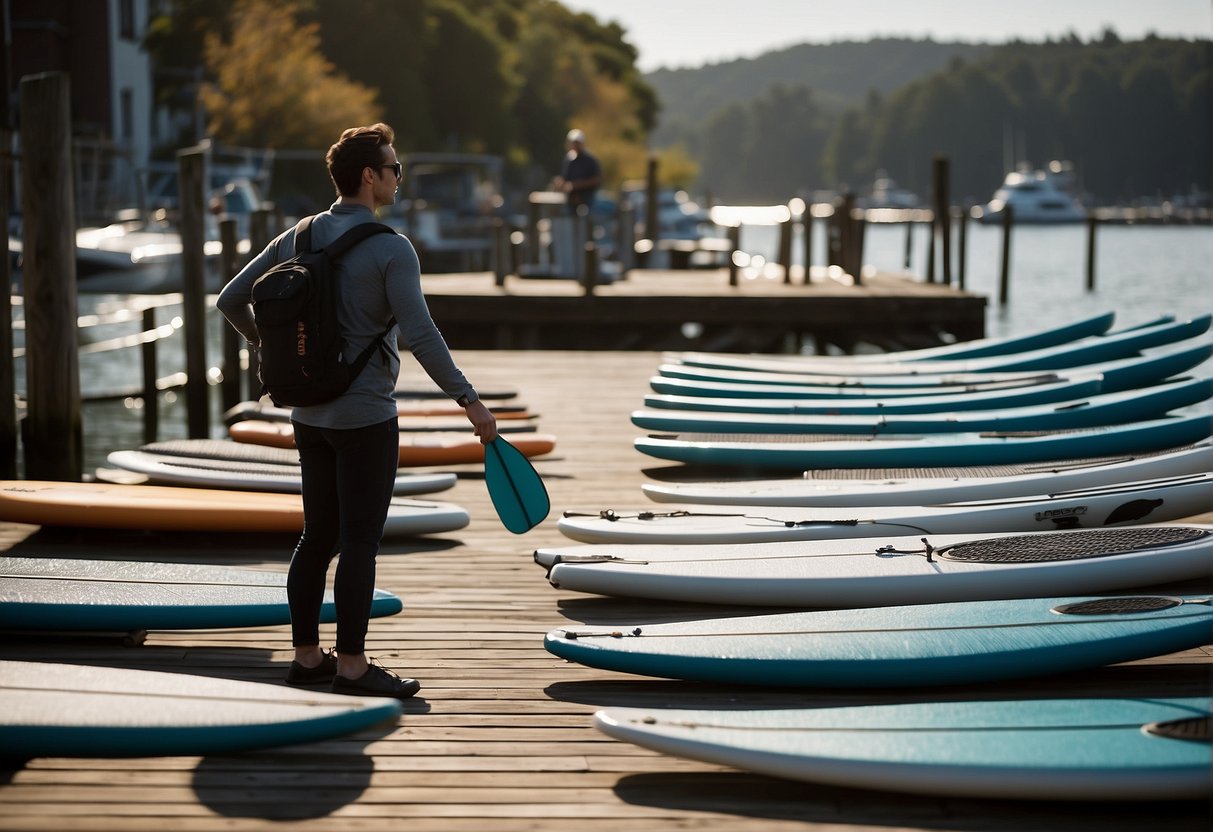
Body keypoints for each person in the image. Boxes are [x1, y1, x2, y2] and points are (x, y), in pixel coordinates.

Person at [217, 123, 498, 700]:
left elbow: (230, 298)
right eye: (393, 167)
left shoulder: (296, 237)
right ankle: (351, 666)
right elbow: (421, 334)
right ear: (370, 177)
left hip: (308, 414)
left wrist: (263, 348)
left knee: (316, 536)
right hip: (366, 416)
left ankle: (306, 658)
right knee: (361, 539)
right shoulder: (392, 247)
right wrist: (470, 402)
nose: (398, 176)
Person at [554, 128, 602, 215]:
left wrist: (576, 185)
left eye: (577, 143)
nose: (575, 146)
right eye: (573, 143)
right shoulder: (568, 159)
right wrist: (560, 183)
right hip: (571, 199)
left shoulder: (590, 160)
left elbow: (596, 179)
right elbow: (564, 177)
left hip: (587, 199)